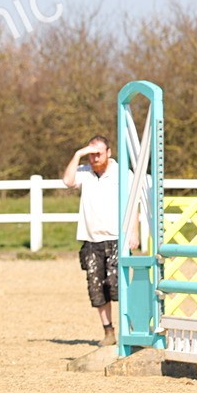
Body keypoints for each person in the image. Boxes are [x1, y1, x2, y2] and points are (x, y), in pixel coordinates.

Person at [62, 135, 134, 346]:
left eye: (98, 154)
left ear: (109, 152)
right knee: (96, 288)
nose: (94, 158)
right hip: (91, 239)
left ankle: (127, 329)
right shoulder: (84, 172)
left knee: (117, 285)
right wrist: (78, 155)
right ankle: (108, 331)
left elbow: (133, 203)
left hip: (116, 238)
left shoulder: (121, 173)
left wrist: (133, 233)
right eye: (91, 154)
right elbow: (68, 181)